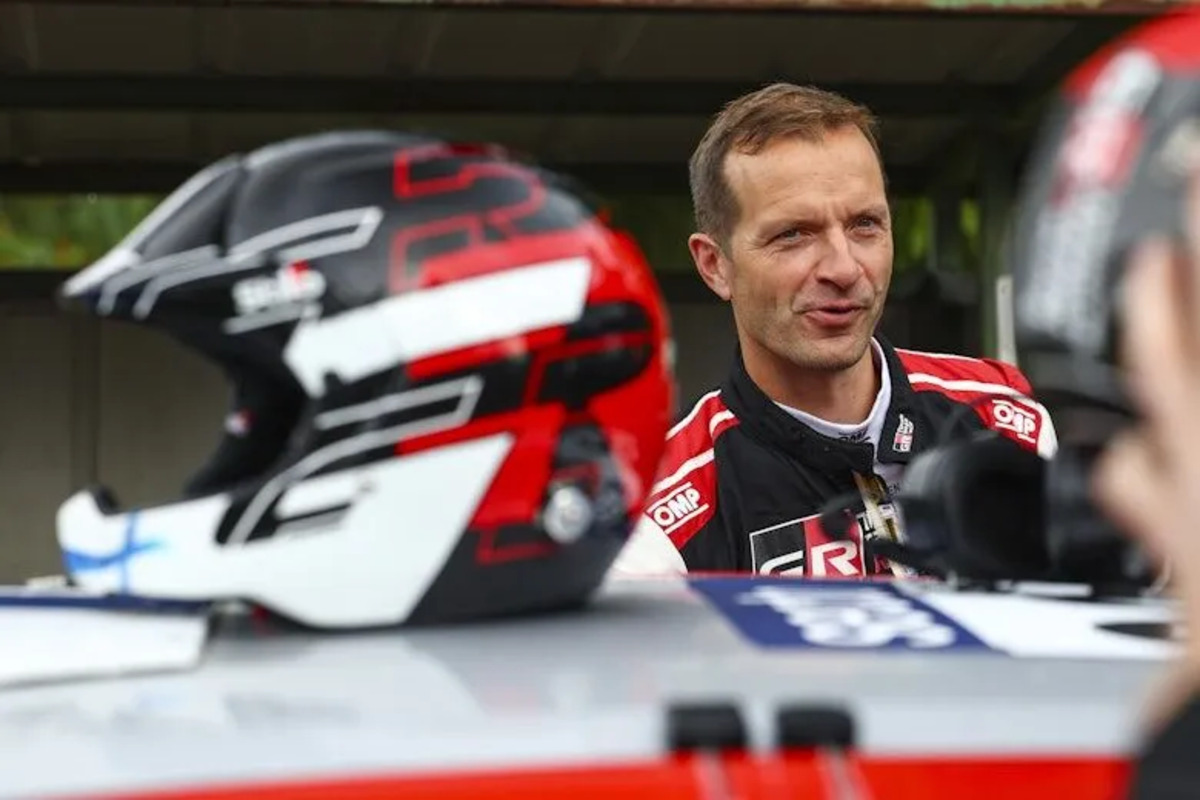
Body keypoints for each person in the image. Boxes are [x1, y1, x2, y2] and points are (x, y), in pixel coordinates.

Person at [611, 83, 1057, 578]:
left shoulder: (1004, 418)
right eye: (793, 234)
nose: (843, 269)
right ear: (715, 265)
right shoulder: (660, 516)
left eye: (865, 224)